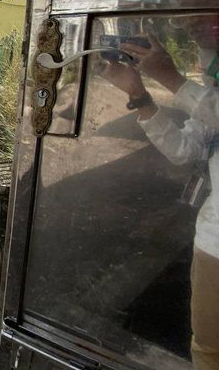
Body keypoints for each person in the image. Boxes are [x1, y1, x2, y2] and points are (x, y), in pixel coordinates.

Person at [102, 18, 218, 370]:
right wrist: (139, 95)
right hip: (214, 243)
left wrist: (171, 77)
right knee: (209, 350)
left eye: (200, 16)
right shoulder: (212, 82)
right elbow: (187, 150)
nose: (187, 26)